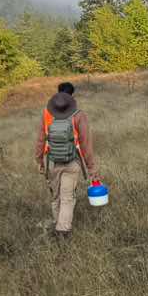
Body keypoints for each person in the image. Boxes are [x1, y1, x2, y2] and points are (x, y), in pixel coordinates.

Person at [35, 86, 96, 237]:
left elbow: (40, 140)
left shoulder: (46, 113)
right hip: (72, 161)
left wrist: (39, 160)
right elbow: (85, 144)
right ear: (72, 97)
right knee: (67, 197)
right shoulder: (78, 115)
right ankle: (62, 230)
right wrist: (91, 168)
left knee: (55, 197)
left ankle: (57, 223)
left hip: (51, 161)